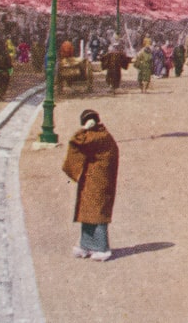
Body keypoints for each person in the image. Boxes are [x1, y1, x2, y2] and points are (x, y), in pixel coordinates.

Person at [62, 109, 119, 262]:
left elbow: (77, 140)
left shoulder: (98, 136)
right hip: (93, 178)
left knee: (97, 212)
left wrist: (85, 129)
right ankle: (86, 244)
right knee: (87, 209)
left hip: (99, 179)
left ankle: (102, 248)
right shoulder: (100, 135)